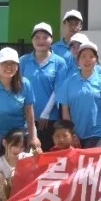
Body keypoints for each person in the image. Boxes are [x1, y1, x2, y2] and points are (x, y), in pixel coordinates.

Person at [0, 47, 39, 198]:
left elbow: (29, 113)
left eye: (13, 64)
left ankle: (18, 200)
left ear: (17, 67)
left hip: (19, 134)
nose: (9, 67)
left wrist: (33, 137)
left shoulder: (25, 84)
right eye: (5, 63)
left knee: (22, 168)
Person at [58, 39, 101, 148]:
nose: (87, 60)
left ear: (96, 60)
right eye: (83, 56)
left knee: (93, 159)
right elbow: (65, 111)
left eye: (91, 56)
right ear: (78, 60)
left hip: (97, 132)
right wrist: (71, 133)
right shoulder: (68, 82)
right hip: (75, 133)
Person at [20, 22, 68, 151]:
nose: (41, 41)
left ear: (51, 39)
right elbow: (18, 87)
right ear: (32, 40)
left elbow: (58, 90)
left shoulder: (59, 62)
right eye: (37, 37)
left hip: (49, 119)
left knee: (47, 155)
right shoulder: (23, 61)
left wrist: (45, 114)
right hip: (25, 117)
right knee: (25, 156)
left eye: (45, 37)